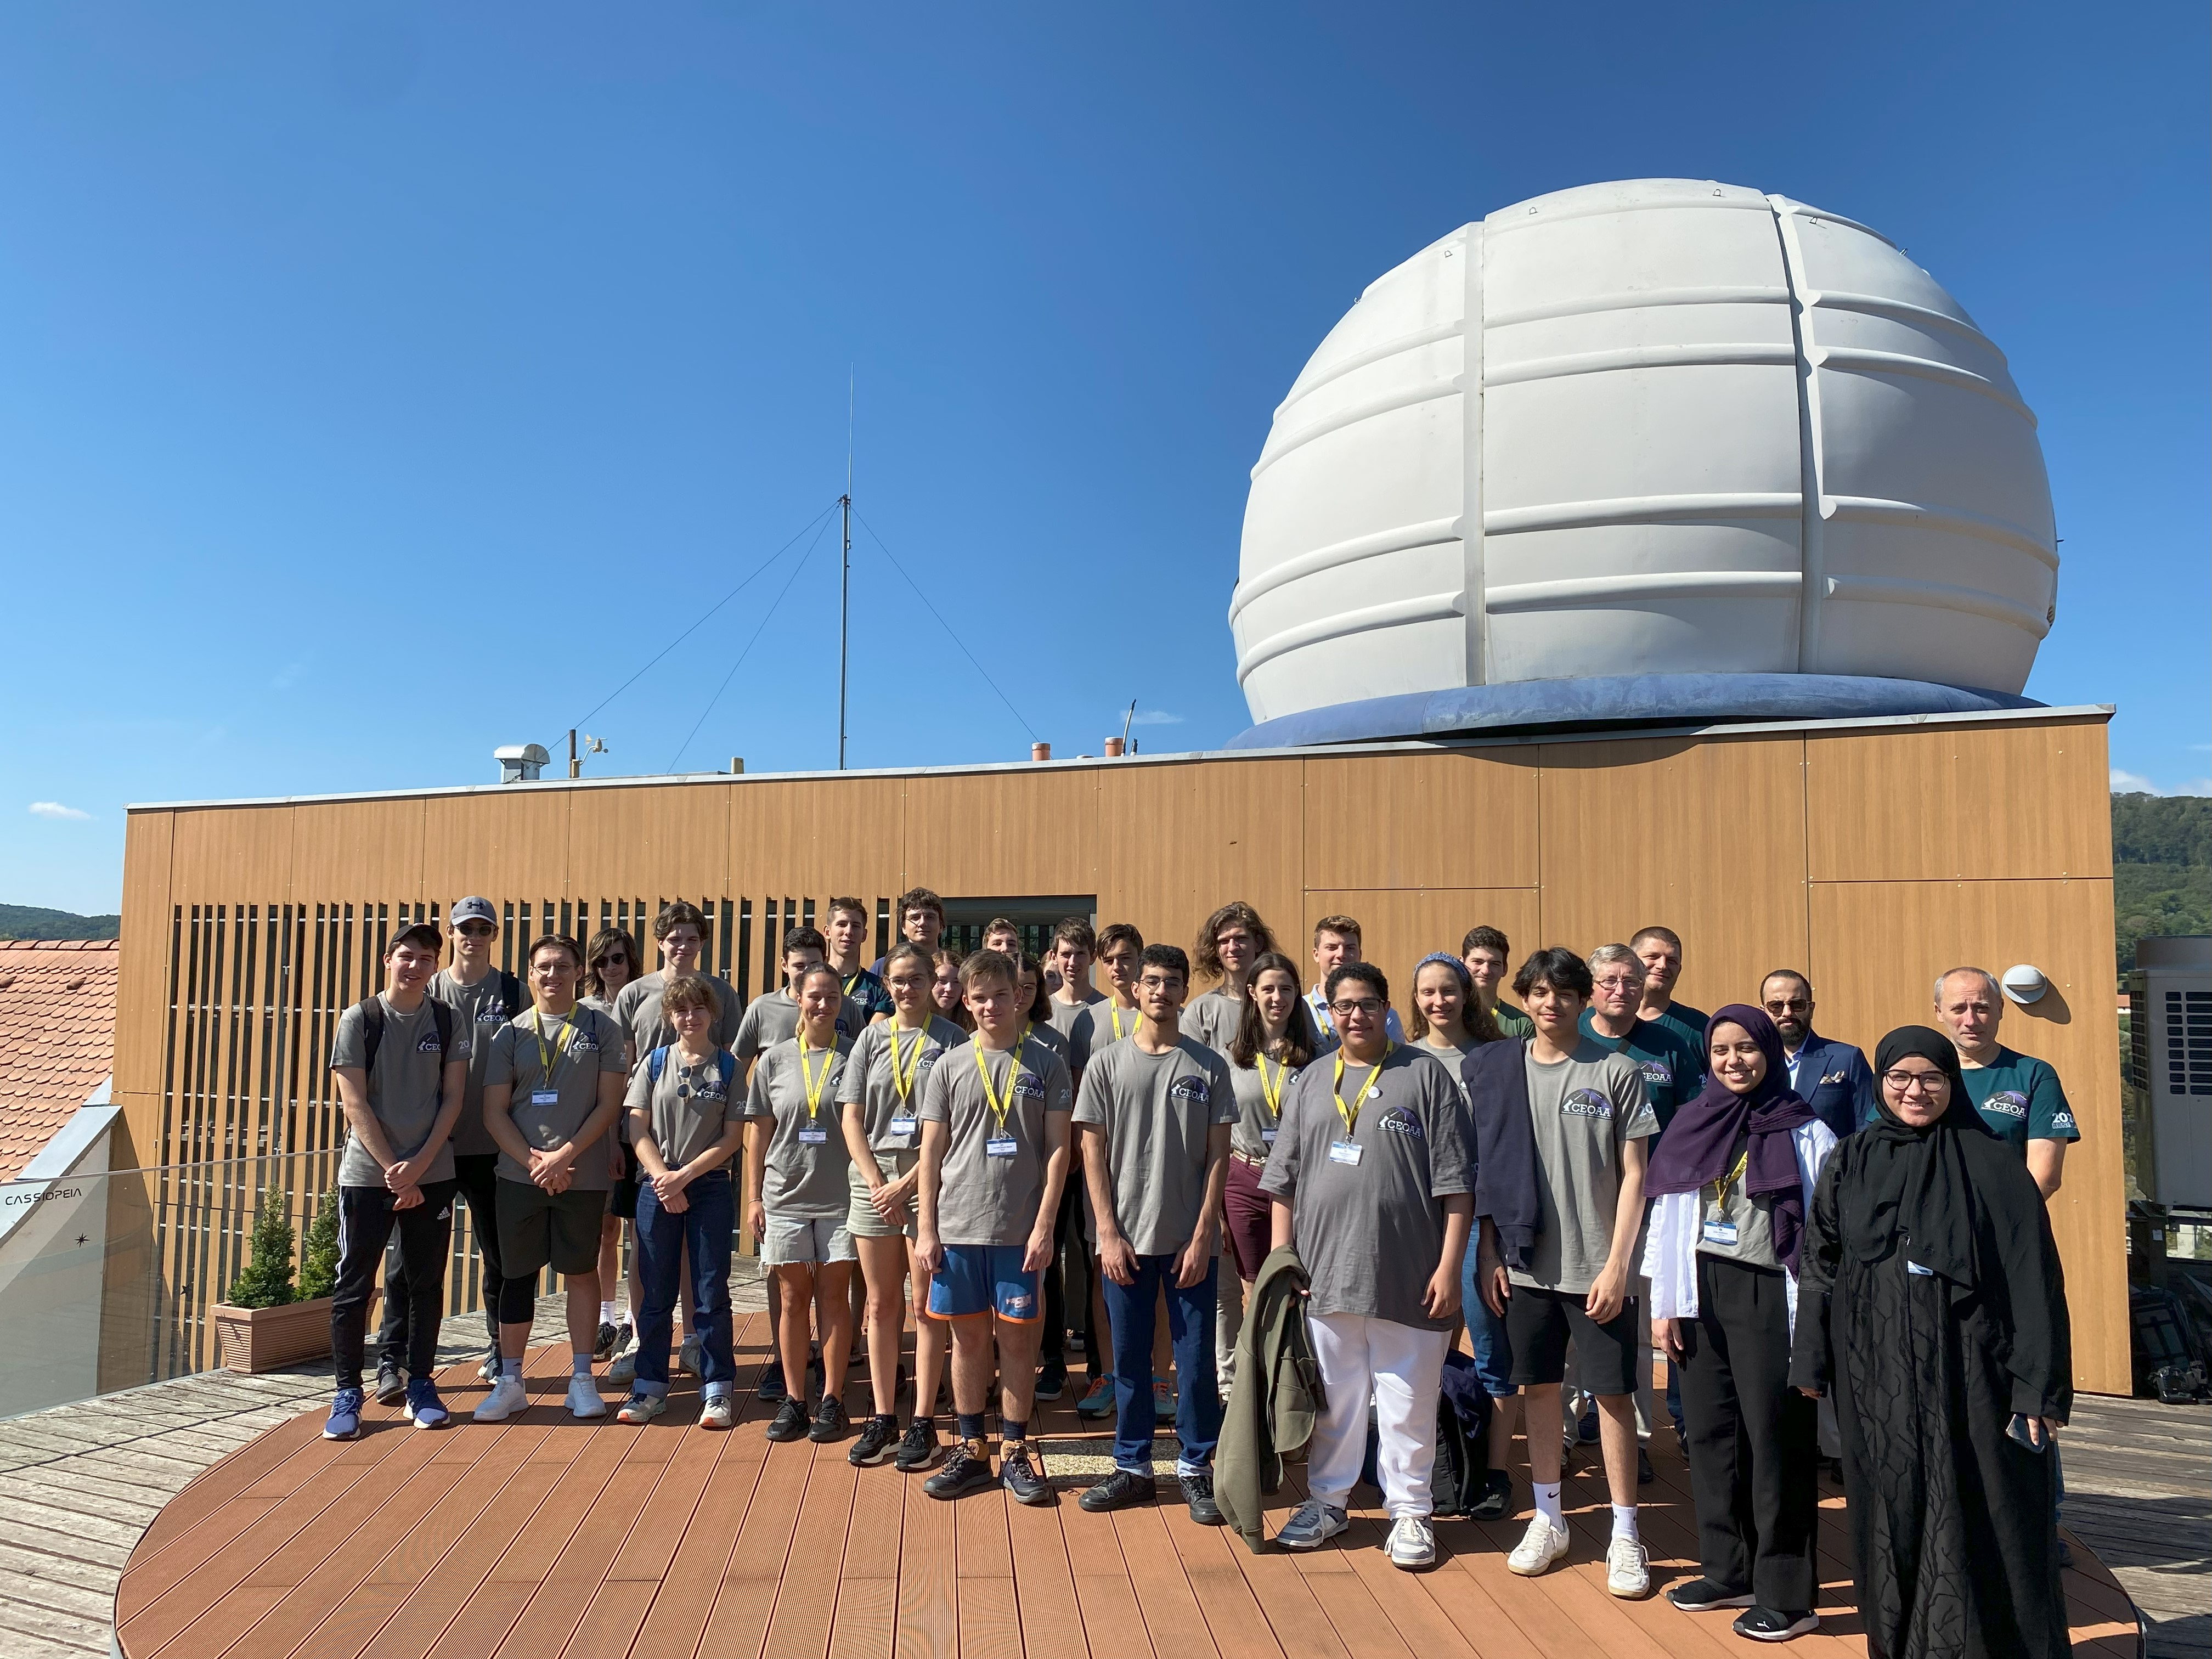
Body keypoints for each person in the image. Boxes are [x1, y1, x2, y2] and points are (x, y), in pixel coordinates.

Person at [1789, 1027, 2073, 1659]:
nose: (1916, 1091)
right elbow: (1821, 1260)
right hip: (1876, 1370)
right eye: (1901, 1078)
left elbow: (2034, 1279)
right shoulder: (1854, 1158)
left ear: (1952, 1083)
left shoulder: (1996, 1164)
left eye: (1932, 1078)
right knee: (1893, 1507)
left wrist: (2039, 1387)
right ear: (1883, 1082)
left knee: (1982, 1509)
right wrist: (1810, 1354)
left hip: (1975, 1369)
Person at [1261, 961, 1471, 1570]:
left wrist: (1449, 1265)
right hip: (1326, 1276)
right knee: (1337, 1400)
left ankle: (1411, 1513)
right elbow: (1284, 1184)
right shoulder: (1311, 1081)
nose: (1357, 1015)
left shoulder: (1424, 1075)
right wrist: (1284, 1261)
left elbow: (1458, 1185)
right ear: (1327, 1011)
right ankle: (1328, 1502)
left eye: (1369, 1003)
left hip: (1411, 1275)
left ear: (1388, 1007)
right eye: (1344, 1004)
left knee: (1407, 1401)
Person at [1646, 1007, 1837, 1643]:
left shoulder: (1805, 1130)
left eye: (1746, 1050)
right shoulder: (1691, 1122)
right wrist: (1664, 1303)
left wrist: (1815, 1320)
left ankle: (1788, 1595)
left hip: (1768, 1296)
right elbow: (1667, 1218)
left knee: (1775, 1441)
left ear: (1768, 1053)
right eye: (1722, 1050)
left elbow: (1823, 1236)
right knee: (1709, 1435)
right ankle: (1729, 1569)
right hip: (1700, 1290)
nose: (1734, 1061)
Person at [1470, 946, 1657, 1598]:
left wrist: (1618, 1265)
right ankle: (1550, 1519)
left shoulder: (1615, 1071)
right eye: (1541, 993)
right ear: (1525, 1000)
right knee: (1539, 1391)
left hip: (1599, 1270)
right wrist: (1491, 1252)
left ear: (1585, 1000)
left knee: (1612, 1397)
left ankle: (1625, 1531)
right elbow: (1486, 1171)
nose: (1552, 1003)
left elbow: (1637, 1176)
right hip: (1525, 1268)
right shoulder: (1498, 1070)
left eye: (1565, 993)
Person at [1074, 944, 1238, 1523]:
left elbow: (1219, 1157)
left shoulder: (1208, 1067)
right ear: (1136, 990)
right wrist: (1107, 1233)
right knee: (1130, 1359)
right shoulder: (1106, 1064)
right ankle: (1133, 1468)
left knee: (1193, 1365)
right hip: (1124, 1241)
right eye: (1152, 982)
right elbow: (1091, 1150)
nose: (1161, 992)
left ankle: (1196, 1468)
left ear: (1184, 992)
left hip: (1189, 1243)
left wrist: (1202, 1236)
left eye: (1172, 982)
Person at [913, 949, 1074, 1504]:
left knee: (1016, 1341)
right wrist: (927, 1228)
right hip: (958, 1228)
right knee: (968, 1340)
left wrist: (1045, 1224)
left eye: (999, 995)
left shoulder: (1046, 1063)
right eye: (977, 996)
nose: (989, 1006)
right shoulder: (949, 1065)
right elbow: (931, 1153)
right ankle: (973, 1448)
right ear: (965, 998)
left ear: (1018, 996)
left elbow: (1059, 1150)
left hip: (1019, 1230)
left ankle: (1015, 1449)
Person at [473, 934, 628, 1423]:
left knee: (580, 1273)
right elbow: (494, 1112)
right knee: (517, 1275)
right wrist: (536, 1163)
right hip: (520, 1177)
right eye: (543, 967)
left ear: (579, 972)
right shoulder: (510, 1033)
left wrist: (564, 1157)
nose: (552, 975)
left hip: (580, 1174)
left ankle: (582, 1378)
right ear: (532, 972)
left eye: (563, 966)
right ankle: (512, 1379)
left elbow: (609, 1104)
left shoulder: (602, 1027)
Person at [324, 921, 470, 1437]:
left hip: (433, 1173)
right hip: (368, 1175)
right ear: (388, 959)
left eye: (426, 959)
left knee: (426, 1282)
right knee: (354, 1285)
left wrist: (420, 1167)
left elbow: (452, 1099)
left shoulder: (450, 1022)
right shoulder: (360, 1019)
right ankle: (347, 1392)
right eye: (406, 956)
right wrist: (394, 1170)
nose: (415, 966)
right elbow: (354, 1103)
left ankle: (421, 1381)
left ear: (435, 967)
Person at [837, 942, 967, 1470]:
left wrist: (908, 1184)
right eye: (900, 980)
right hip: (874, 1184)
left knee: (925, 1304)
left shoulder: (954, 1039)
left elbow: (956, 1124)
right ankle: (884, 1414)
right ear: (886, 985)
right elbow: (851, 1116)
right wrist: (876, 1181)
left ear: (933, 983)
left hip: (928, 1182)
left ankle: (923, 1420)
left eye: (919, 979)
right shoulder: (871, 1036)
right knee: (879, 1304)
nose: (909, 988)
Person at [390, 896, 523, 1391]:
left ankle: (498, 1350)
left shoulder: (513, 991)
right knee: (415, 1261)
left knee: (500, 1259)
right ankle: (400, 1359)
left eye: (484, 929)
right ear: (451, 933)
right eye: (466, 928)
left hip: (495, 1148)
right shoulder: (430, 989)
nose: (475, 937)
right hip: (436, 1151)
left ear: (494, 935)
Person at [1579, 942, 1702, 1471]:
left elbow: (1695, 1121)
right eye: (1610, 980)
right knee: (1570, 1323)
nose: (1622, 990)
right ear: (1591, 986)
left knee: (1634, 1325)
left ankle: (1639, 1440)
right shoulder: (1570, 1035)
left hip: (1648, 1206)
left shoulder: (1669, 1044)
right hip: (1577, 1203)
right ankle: (1568, 1431)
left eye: (1631, 980)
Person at [611, 905, 746, 1381]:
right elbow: (622, 1064)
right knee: (645, 1246)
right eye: (673, 937)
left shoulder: (722, 994)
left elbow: (729, 1060)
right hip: (648, 1139)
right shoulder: (634, 994)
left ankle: (693, 1339)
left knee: (701, 1252)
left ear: (702, 943)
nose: (681, 945)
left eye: (691, 938)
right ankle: (636, 1336)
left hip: (704, 1143)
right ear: (660, 941)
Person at [1403, 953, 1515, 1519]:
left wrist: (1492, 1241)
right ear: (1415, 998)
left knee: (1492, 1347)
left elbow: (1503, 1148)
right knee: (1423, 1346)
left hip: (1478, 1220)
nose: (1439, 1001)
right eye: (1428, 992)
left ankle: (1495, 1474)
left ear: (1467, 994)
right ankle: (1438, 1460)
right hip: (1417, 1221)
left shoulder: (1496, 1057)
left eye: (1449, 990)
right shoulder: (1402, 1060)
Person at [735, 925, 865, 1402]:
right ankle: (794, 1397)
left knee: (833, 1298)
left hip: (840, 1196)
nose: (823, 1005)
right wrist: (752, 1196)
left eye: (832, 996)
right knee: (793, 1299)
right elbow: (758, 1130)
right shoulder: (775, 1060)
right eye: (815, 996)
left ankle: (831, 1396)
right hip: (785, 1194)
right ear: (800, 999)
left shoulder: (857, 1056)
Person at [1221, 953, 1324, 1317]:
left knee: (1300, 1279)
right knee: (1253, 1287)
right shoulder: (1230, 1058)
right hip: (1244, 1179)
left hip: (1301, 1183)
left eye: (1286, 989)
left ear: (1297, 995)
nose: (1277, 997)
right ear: (1252, 993)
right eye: (1268, 989)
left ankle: (1296, 1370)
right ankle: (1260, 1371)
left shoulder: (1319, 1058)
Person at [1069, 922, 1144, 1420]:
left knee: (1154, 1269)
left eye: (1127, 957)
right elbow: (1079, 1097)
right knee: (1103, 1269)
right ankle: (1110, 1374)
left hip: (1153, 1160)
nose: (1119, 966)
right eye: (1110, 959)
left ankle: (1154, 1378)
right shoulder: (1087, 1021)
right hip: (1101, 1162)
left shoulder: (1159, 1011)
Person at [1933, 967, 2078, 1197]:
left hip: (2002, 1227)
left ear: (2000, 1009)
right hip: (1929, 1228)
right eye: (1958, 1009)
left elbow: (2046, 1178)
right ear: (1939, 1012)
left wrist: (2002, 1225)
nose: (1970, 1020)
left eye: (1982, 1008)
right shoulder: (1918, 1077)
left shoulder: (2034, 1075)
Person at [1040, 918, 1105, 1404]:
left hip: (1091, 1154)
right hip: (1049, 1156)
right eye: (1064, 952)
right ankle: (1053, 1358)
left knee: (1091, 1256)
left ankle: (1100, 1362)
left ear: (1091, 958)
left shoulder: (1105, 1011)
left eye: (1081, 953)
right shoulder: (1044, 1015)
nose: (1072, 961)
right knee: (1047, 1259)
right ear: (1054, 957)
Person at [1759, 970, 1874, 1142]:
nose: (1787, 1013)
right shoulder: (1753, 1065)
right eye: (1776, 1006)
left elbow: (1867, 1130)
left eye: (1797, 1004)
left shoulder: (1847, 1059)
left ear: (1811, 1009)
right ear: (1763, 1012)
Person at [1185, 902, 1278, 1054]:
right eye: (1224, 941)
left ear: (1258, 943)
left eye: (1241, 939)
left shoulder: (1281, 1004)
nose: (1233, 947)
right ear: (1215, 950)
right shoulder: (1200, 1011)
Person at [1306, 916, 1407, 1041]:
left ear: (1360, 954)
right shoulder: (1299, 1010)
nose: (1341, 954)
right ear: (1316, 955)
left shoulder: (1384, 1015)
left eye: (1349, 948)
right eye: (1332, 948)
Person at [1632, 925, 1710, 1077]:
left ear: (1679, 969)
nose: (1663, 966)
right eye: (1653, 957)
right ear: (1631, 962)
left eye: (1672, 961)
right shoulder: (1593, 1021)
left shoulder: (1698, 1027)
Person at [827, 896, 895, 1025]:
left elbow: (871, 1040)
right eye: (842, 924)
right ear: (827, 932)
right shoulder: (809, 982)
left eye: (856, 926)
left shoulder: (879, 988)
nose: (849, 931)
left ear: (864, 935)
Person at [1462, 925, 1534, 1039]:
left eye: (1495, 964)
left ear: (1505, 969)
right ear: (1462, 963)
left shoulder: (1521, 1025)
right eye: (1478, 962)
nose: (1486, 971)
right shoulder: (1449, 1016)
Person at [873, 887, 946, 975]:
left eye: (930, 917)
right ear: (904, 927)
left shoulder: (954, 967)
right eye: (915, 918)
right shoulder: (882, 967)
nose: (922, 923)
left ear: (941, 926)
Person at [930, 948, 973, 1031]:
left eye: (956, 982)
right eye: (942, 981)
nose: (949, 988)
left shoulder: (973, 1022)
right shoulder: (918, 1020)